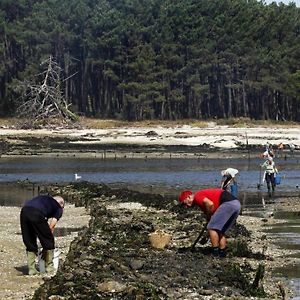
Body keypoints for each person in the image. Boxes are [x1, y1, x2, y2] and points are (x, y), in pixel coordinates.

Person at [178, 188, 241, 258]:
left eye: (184, 203)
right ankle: (222, 254)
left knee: (212, 228)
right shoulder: (200, 200)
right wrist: (207, 235)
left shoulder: (197, 197)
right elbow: (213, 209)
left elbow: (210, 204)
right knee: (220, 231)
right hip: (236, 204)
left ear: (189, 197)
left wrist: (209, 216)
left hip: (228, 204)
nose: (186, 206)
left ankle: (215, 253)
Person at [20, 194, 65, 275]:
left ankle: (32, 269)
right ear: (61, 204)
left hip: (24, 211)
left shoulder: (45, 199)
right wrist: (47, 239)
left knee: (29, 239)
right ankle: (49, 268)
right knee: (48, 241)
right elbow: (52, 225)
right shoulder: (58, 207)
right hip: (36, 213)